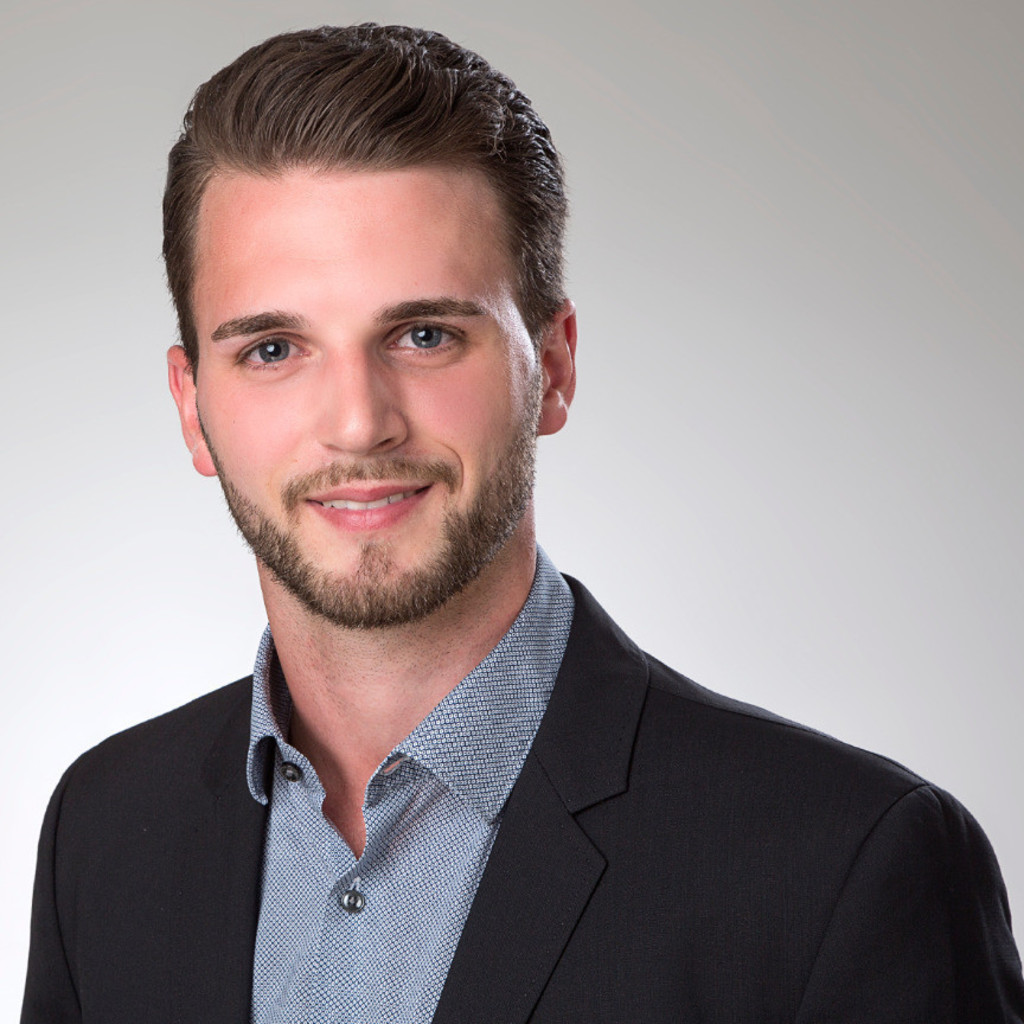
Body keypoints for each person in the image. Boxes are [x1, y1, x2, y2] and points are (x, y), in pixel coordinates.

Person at [21, 23, 1024, 1024]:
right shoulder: (100, 833)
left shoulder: (845, 864)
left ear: (553, 366)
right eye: (274, 349)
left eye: (424, 334)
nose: (359, 422)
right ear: (192, 406)